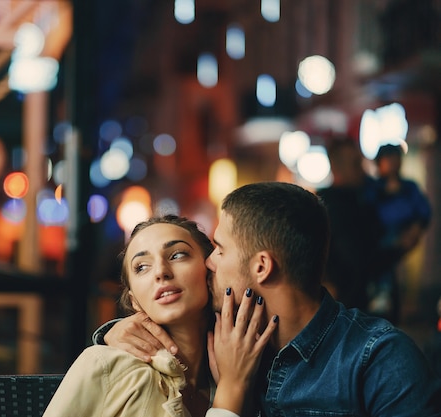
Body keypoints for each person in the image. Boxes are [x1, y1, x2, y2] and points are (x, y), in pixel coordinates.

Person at [95, 182, 441, 416]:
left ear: (261, 267)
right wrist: (115, 331)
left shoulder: (378, 359)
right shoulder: (220, 335)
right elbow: (164, 323)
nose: (209, 262)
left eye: (219, 249)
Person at [43, 215, 277, 417]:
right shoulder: (107, 365)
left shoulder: (246, 365)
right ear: (134, 300)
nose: (161, 272)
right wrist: (231, 390)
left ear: (210, 270)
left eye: (177, 255)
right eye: (142, 267)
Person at [364, 143, 432, 323]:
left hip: (406, 241)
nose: (393, 163)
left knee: (408, 280)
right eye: (389, 159)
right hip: (379, 246)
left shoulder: (409, 187)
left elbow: (423, 210)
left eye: (396, 159)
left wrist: (415, 228)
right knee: (383, 287)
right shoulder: (371, 188)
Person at [316, 138, 386, 311]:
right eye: (356, 164)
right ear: (336, 166)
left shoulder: (361, 200)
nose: (362, 170)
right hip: (345, 306)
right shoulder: (334, 206)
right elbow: (357, 258)